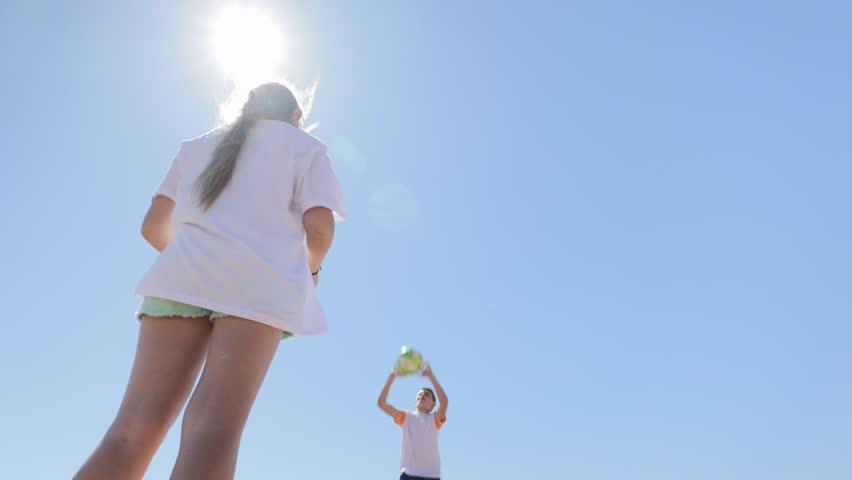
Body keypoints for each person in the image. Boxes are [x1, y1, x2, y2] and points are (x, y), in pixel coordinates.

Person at [75, 82, 345, 480]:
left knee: (129, 432)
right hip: (258, 287)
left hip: (178, 280)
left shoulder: (195, 146)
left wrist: (199, 259)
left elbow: (152, 226)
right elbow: (319, 227)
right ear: (296, 115)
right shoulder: (305, 147)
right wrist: (311, 272)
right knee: (213, 431)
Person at [377, 362, 449, 480]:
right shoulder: (406, 417)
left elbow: (444, 402)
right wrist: (392, 376)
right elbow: (382, 404)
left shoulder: (435, 420)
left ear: (433, 404)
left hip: (432, 476)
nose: (422, 395)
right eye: (419, 394)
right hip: (408, 475)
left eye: (426, 395)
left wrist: (431, 376)